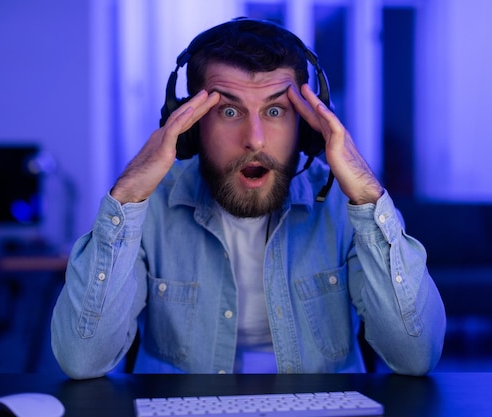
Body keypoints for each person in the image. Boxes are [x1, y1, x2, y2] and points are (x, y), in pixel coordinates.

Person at [51, 17, 446, 379]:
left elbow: (416, 357)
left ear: (307, 125)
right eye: (228, 112)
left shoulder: (347, 207)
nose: (255, 139)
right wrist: (128, 193)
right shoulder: (149, 206)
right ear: (191, 125)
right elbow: (82, 360)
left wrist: (366, 192)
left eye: (275, 111)